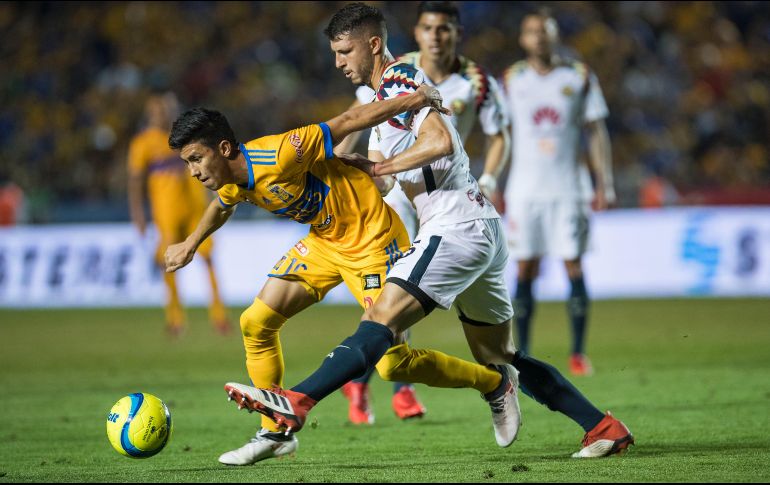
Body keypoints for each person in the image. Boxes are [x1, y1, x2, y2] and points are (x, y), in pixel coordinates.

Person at [224, 2, 633, 460]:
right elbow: (398, 170)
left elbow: (440, 141)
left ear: (373, 45)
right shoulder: (385, 100)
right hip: (478, 226)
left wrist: (383, 164)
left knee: (380, 319)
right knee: (500, 355)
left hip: (455, 225)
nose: (338, 62)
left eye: (345, 51)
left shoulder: (401, 80)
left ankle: (296, 400)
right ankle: (603, 426)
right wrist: (371, 173)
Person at [164, 84, 521, 465]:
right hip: (326, 243)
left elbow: (350, 120)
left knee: (392, 364)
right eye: (187, 163)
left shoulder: (280, 152)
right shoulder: (234, 181)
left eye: (196, 158)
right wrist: (190, 243)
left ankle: (495, 383)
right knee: (256, 322)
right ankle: (276, 430)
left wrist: (415, 99)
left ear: (222, 149)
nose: (193, 171)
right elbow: (222, 206)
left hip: (373, 240)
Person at [332, 0, 511, 426]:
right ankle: (386, 380)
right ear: (417, 32)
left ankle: (369, 370)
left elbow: (497, 135)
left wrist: (489, 179)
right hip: (406, 192)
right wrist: (346, 166)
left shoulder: (477, 82)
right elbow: (367, 123)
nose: (435, 36)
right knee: (392, 285)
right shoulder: (397, 75)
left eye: (444, 29)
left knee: (406, 291)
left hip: (448, 191)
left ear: (455, 34)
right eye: (428, 28)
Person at [500, 13, 617, 376]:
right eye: (532, 31)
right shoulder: (511, 79)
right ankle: (525, 353)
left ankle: (578, 353)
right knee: (525, 267)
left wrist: (605, 182)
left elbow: (596, 131)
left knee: (574, 264)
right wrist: (494, 181)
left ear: (555, 36)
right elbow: (499, 133)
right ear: (523, 38)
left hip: (569, 186)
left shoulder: (578, 76)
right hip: (524, 188)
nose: (539, 38)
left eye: (545, 32)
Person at [127, 92, 230, 337]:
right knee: (168, 263)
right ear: (150, 114)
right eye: (158, 111)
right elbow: (135, 181)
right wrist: (138, 215)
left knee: (207, 258)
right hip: (167, 211)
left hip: (195, 208)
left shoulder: (186, 138)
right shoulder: (144, 143)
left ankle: (219, 316)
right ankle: (175, 319)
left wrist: (211, 199)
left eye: (166, 110)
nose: (162, 114)